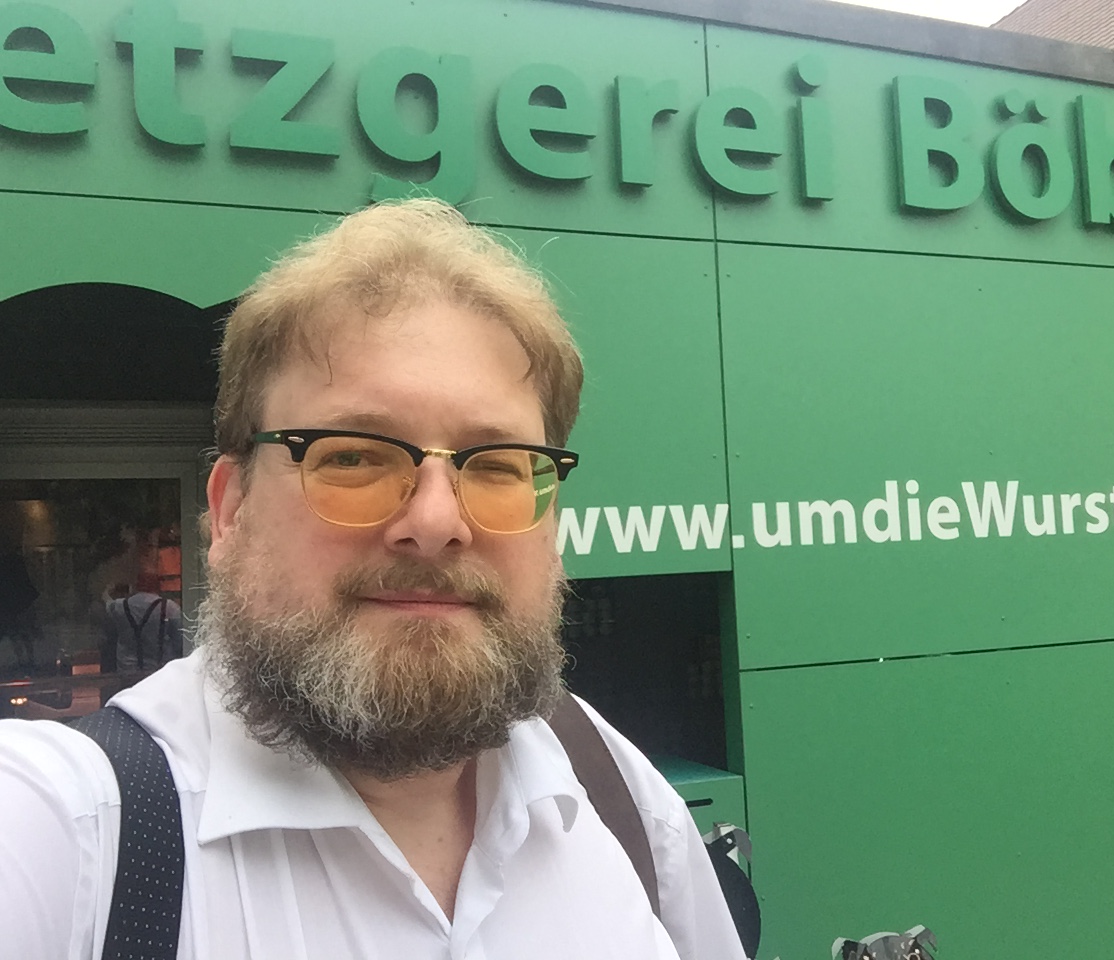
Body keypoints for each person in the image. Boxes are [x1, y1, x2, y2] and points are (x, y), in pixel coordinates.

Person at [0, 199, 745, 959]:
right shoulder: (67, 840)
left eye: (497, 466)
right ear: (229, 512)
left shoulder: (619, 799)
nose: (436, 521)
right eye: (352, 456)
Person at [101, 576, 183, 673]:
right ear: (157, 587)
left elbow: (106, 601)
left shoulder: (120, 606)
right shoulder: (169, 607)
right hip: (159, 671)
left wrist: (108, 589)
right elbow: (180, 640)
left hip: (127, 669)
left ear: (135, 587)